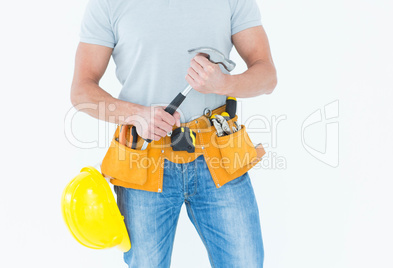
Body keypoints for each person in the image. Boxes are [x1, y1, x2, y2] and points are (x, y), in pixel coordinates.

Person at [70, 0, 277, 267]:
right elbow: (81, 91)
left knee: (245, 262)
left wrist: (225, 83)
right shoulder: (109, 4)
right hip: (143, 160)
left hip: (219, 156)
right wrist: (137, 114)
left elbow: (267, 76)